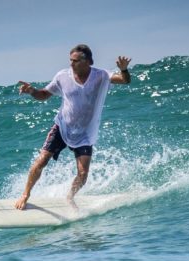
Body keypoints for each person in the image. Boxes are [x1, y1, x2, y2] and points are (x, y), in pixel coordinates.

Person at [15, 44, 131, 210]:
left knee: (83, 174)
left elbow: (125, 81)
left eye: (75, 61)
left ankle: (69, 198)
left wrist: (124, 70)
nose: (71, 64)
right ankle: (25, 194)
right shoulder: (62, 76)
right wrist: (32, 91)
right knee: (42, 160)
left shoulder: (101, 75)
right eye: (71, 60)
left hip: (85, 133)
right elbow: (44, 95)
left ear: (88, 62)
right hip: (63, 127)